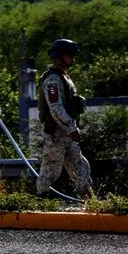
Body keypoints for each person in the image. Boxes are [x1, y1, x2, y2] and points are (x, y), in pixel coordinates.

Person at [36, 38, 92, 197]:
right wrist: (72, 128)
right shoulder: (52, 79)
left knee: (81, 166)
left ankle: (87, 199)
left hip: (67, 133)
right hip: (57, 133)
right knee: (51, 169)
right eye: (69, 55)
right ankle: (41, 198)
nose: (73, 58)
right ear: (59, 56)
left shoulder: (64, 77)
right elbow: (56, 108)